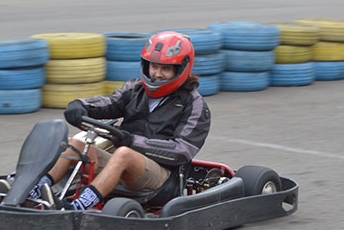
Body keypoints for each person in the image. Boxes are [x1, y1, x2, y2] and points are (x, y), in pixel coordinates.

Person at [32, 31, 211, 211]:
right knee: (75, 144)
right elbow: (110, 102)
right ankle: (35, 192)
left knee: (124, 153)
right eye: (154, 66)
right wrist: (81, 106)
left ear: (180, 69)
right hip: (122, 163)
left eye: (165, 68)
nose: (157, 74)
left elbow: (182, 150)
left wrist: (133, 142)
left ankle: (77, 208)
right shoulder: (136, 89)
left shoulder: (194, 104)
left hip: (162, 177)